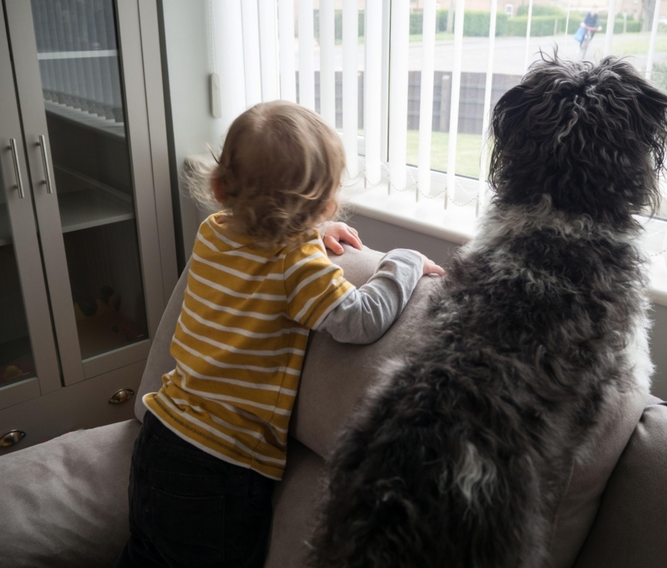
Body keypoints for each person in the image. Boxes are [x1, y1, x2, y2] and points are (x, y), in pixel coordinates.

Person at [115, 100, 444, 568]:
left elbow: (260, 234)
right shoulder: (297, 265)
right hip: (220, 468)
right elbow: (361, 319)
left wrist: (310, 229)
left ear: (219, 187)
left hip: (159, 437)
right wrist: (404, 260)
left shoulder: (212, 232)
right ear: (327, 203)